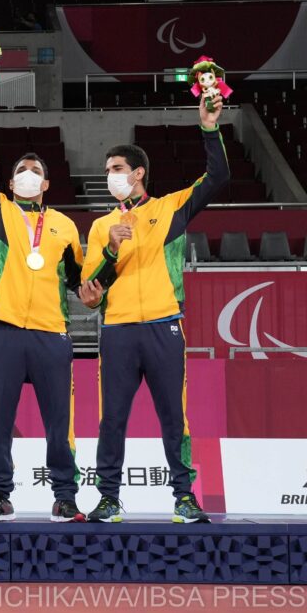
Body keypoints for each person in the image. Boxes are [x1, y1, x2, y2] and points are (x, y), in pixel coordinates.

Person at [0, 80, 108, 523]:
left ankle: (65, 497)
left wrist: (91, 295)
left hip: (51, 335)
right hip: (3, 330)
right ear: (11, 182)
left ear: (46, 182)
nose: (27, 174)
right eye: (20, 170)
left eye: (35, 170)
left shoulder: (64, 226)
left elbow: (78, 281)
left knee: (58, 426)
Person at [81, 94, 228, 524]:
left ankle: (184, 497)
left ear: (138, 173)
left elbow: (218, 177)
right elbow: (92, 289)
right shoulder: (100, 226)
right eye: (108, 171)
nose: (110, 177)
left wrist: (209, 127)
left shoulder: (170, 209)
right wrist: (110, 250)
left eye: (117, 170)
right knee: (112, 419)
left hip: (165, 326)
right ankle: (108, 499)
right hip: (119, 331)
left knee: (172, 418)